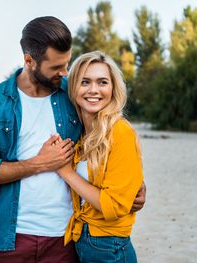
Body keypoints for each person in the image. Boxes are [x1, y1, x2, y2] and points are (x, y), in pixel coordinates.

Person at [0, 16, 146, 263]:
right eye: (56, 67)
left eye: (67, 64)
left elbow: (105, 142)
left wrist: (131, 187)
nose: (65, 73)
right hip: (8, 237)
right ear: (29, 61)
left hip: (66, 238)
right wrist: (38, 163)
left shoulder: (72, 95)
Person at [56, 50, 144, 263]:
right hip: (84, 240)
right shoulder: (81, 134)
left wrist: (67, 172)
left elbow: (113, 205)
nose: (93, 90)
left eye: (102, 82)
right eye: (85, 82)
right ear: (74, 87)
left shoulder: (120, 131)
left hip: (109, 246)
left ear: (113, 88)